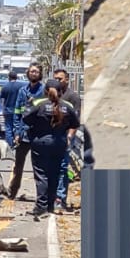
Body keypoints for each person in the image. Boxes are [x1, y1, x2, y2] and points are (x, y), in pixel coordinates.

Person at [22, 79, 80, 219]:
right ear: (60, 91)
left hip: (41, 143)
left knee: (41, 174)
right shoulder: (67, 106)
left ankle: (41, 206)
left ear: (45, 91)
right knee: (55, 174)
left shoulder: (38, 103)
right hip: (59, 143)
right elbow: (75, 123)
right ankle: (50, 205)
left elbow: (26, 119)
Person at [1, 64, 45, 201]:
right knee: (18, 164)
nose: (34, 73)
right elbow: (17, 112)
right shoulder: (22, 91)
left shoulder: (44, 91)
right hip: (23, 134)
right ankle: (12, 192)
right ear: (28, 73)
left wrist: (35, 103)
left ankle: (41, 195)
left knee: (39, 167)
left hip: (38, 134)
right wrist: (16, 132)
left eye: (36, 71)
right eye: (32, 71)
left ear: (40, 74)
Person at [52, 69, 83, 211]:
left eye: (60, 79)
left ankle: (60, 199)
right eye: (55, 78)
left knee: (62, 169)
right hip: (50, 138)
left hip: (64, 138)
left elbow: (75, 121)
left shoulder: (73, 97)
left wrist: (69, 137)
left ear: (66, 80)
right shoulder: (50, 95)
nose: (57, 81)